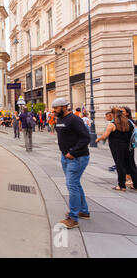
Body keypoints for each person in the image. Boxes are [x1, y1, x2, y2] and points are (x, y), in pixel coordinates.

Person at [52, 98, 91, 229]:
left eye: (56, 108)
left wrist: (73, 152)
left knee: (72, 185)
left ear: (64, 107)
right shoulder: (60, 120)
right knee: (76, 184)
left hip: (77, 158)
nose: (54, 111)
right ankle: (83, 211)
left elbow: (86, 137)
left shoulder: (75, 119)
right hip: (66, 157)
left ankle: (73, 218)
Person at [96, 108, 137, 191]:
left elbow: (105, 136)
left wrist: (98, 139)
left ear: (113, 114)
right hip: (129, 147)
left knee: (120, 165)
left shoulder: (112, 124)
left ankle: (121, 185)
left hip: (117, 147)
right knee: (131, 165)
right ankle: (136, 185)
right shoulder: (130, 123)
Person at [121, 106, 136, 186]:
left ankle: (132, 180)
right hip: (128, 145)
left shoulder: (128, 122)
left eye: (122, 111)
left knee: (129, 164)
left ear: (127, 113)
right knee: (128, 163)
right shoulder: (128, 121)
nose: (121, 113)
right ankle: (132, 180)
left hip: (128, 146)